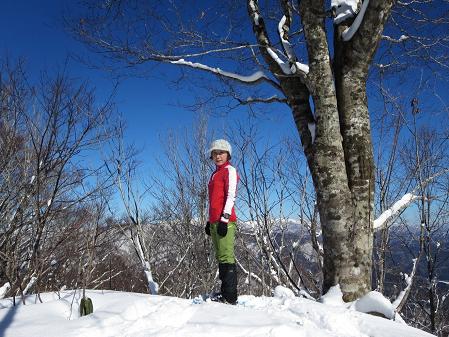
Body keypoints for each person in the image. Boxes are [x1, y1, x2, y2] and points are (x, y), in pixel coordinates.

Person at [205, 139, 239, 304]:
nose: (218, 156)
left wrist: (224, 219)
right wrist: (209, 220)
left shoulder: (229, 170)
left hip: (225, 220)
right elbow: (213, 200)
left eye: (221, 152)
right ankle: (225, 293)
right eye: (215, 153)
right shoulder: (214, 173)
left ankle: (230, 297)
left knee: (226, 257)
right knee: (220, 257)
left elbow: (231, 195)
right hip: (214, 221)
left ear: (228, 155)